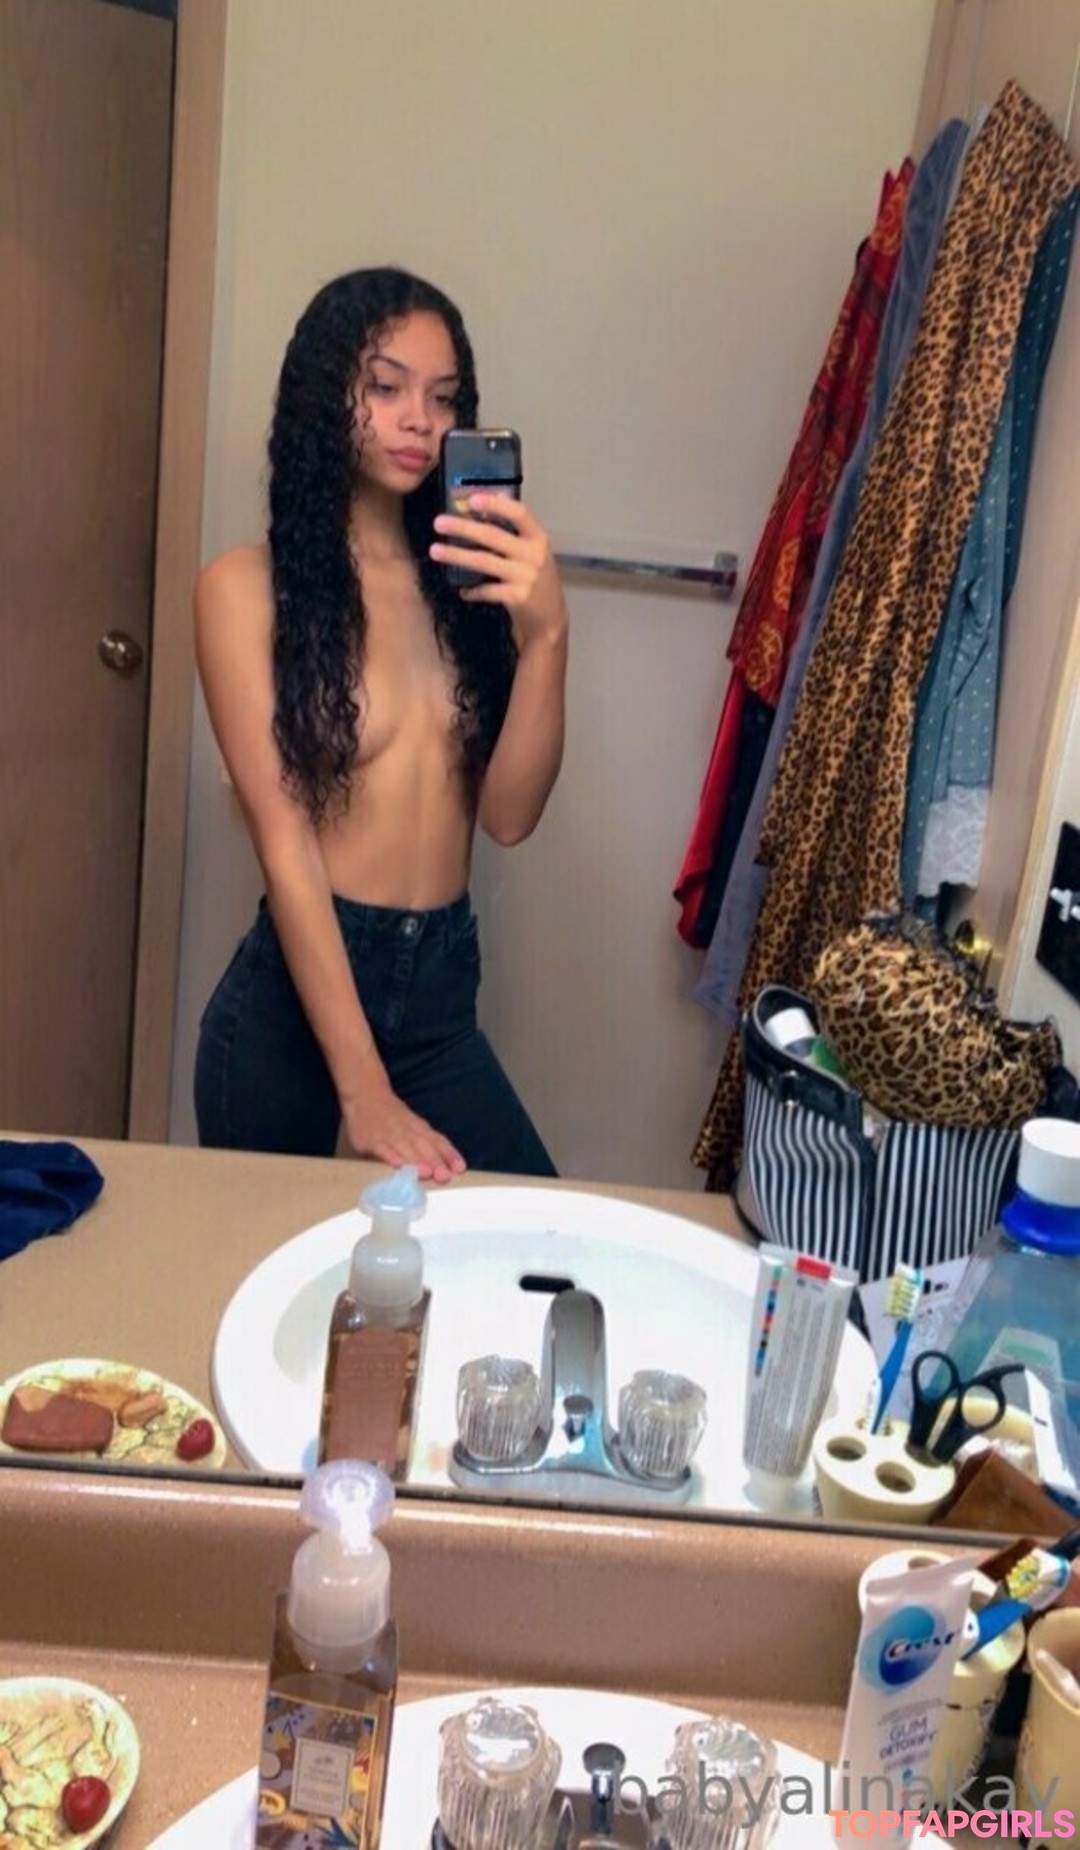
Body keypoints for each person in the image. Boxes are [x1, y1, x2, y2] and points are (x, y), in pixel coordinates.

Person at [193, 266, 567, 1181]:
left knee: (531, 1235)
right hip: (291, 1004)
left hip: (438, 1003)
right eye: (386, 387)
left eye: (443, 399)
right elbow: (285, 843)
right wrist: (362, 1090)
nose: (419, 422)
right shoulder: (244, 590)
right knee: (270, 1256)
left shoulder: (467, 589)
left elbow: (509, 817)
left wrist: (548, 636)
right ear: (328, 393)